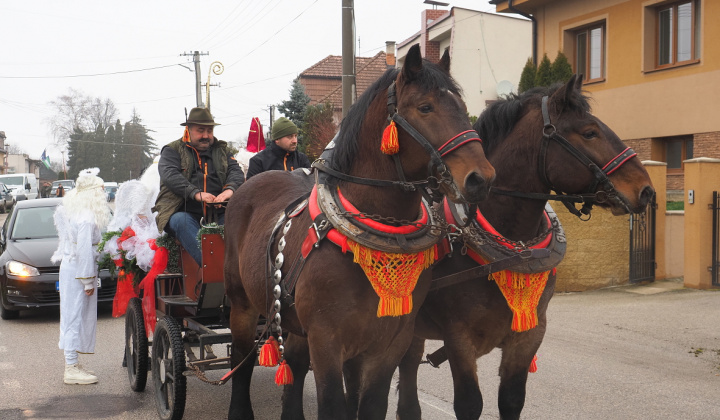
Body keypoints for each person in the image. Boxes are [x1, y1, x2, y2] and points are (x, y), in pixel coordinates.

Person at [154, 107, 245, 266]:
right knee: (181, 221)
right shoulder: (172, 150)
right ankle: (213, 268)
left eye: (209, 131)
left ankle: (242, 266)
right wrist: (196, 194)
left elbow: (235, 172)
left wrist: (229, 190)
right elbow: (170, 176)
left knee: (239, 219)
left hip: (219, 212)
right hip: (183, 211)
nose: (206, 136)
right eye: (200, 130)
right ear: (188, 130)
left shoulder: (221, 150)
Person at [51, 168, 112, 385]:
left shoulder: (76, 211)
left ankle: (73, 363)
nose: (103, 195)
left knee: (71, 315)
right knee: (74, 316)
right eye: (101, 190)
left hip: (72, 268)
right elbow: (85, 251)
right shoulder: (86, 217)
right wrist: (88, 280)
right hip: (79, 270)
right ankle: (70, 368)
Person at [246, 117, 311, 179]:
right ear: (277, 139)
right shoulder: (258, 162)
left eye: (295, 136)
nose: (295, 141)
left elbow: (311, 184)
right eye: (290, 137)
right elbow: (252, 189)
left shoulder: (302, 159)